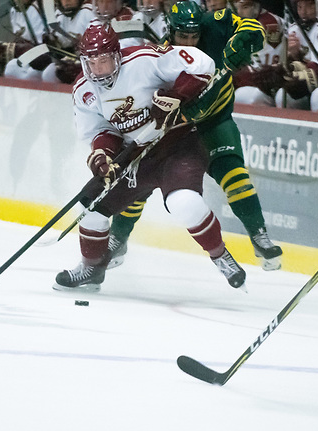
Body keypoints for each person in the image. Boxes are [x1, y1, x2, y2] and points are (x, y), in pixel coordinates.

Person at [53, 20, 257, 292]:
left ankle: (222, 257)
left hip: (178, 143)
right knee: (90, 206)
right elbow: (101, 131)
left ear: (117, 55)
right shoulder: (83, 90)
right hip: (137, 156)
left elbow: (202, 65)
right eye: (91, 63)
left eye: (103, 61)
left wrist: (175, 95)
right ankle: (92, 268)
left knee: (184, 202)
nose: (97, 70)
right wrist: (104, 157)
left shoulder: (144, 60)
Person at [108, 2, 283, 271]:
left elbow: (252, 27)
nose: (189, 42)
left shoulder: (215, 25)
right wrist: (168, 106)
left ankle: (259, 235)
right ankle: (117, 238)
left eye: (194, 36)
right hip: (177, 131)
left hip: (214, 122)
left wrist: (244, 40)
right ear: (171, 31)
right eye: (183, 36)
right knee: (139, 182)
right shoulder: (159, 57)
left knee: (234, 174)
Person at [233, 0, 289, 106]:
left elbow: (264, 73)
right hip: (257, 82)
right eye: (237, 8)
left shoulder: (269, 23)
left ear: (256, 5)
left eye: (245, 7)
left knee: (244, 97)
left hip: (270, 88)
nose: (240, 12)